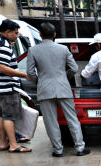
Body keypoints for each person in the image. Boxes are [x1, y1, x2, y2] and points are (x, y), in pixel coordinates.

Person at [27, 22, 90, 157]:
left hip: (44, 90)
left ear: (40, 34)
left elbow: (30, 73)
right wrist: (64, 78)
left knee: (51, 122)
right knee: (72, 119)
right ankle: (80, 148)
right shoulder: (63, 49)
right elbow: (73, 68)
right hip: (63, 88)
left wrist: (40, 81)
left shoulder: (33, 50)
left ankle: (58, 150)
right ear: (55, 35)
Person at [0, 19, 31, 153]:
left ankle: (4, 143)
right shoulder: (4, 45)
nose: (17, 36)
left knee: (0, 116)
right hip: (7, 88)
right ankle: (14, 145)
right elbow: (2, 67)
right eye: (15, 33)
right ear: (7, 32)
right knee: (9, 117)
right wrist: (23, 75)